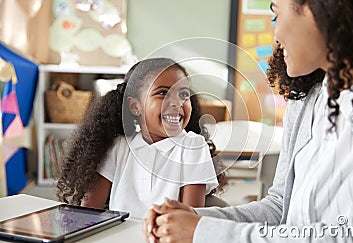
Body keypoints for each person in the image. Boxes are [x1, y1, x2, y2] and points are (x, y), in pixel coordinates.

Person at [143, 0, 353, 242]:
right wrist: (195, 219)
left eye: (276, 14)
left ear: (318, 8)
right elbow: (279, 207)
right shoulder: (307, 98)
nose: (275, 33)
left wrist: (203, 231)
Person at [56, 58, 226, 219]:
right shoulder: (119, 147)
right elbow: (88, 212)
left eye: (183, 95)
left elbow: (190, 222)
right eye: (163, 93)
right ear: (135, 106)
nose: (177, 102)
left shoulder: (193, 147)